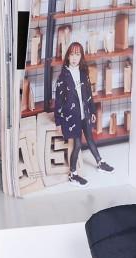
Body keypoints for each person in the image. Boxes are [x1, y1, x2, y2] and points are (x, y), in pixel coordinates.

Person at [54, 42, 114, 185]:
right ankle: (73, 174)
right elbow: (58, 101)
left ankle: (100, 162)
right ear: (68, 56)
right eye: (72, 54)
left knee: (90, 139)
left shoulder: (83, 74)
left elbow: (88, 95)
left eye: (77, 54)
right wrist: (58, 121)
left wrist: (92, 111)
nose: (74, 58)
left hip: (84, 114)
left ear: (81, 57)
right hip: (72, 117)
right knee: (78, 145)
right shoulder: (63, 77)